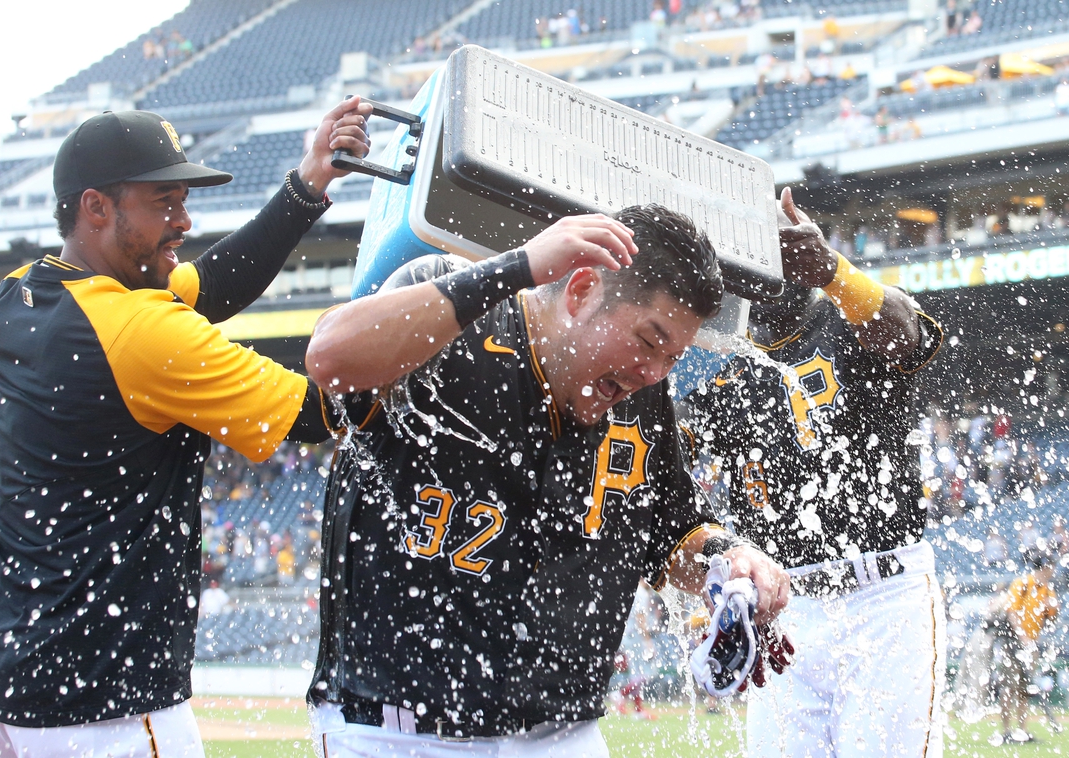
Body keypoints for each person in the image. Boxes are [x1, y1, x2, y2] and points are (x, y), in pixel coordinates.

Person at [304, 205, 790, 755]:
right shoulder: (452, 304)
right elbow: (329, 357)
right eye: (649, 341)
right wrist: (518, 266)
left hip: (566, 731)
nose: (655, 372)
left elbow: (670, 531)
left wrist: (729, 562)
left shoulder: (641, 394)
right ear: (581, 290)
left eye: (673, 358)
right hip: (398, 728)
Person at [0, 99, 372, 757]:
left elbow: (208, 284)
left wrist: (308, 184)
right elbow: (319, 414)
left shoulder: (22, 295)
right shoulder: (140, 330)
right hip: (101, 702)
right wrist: (444, 305)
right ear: (97, 207)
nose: (185, 222)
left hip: (4, 678)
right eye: (165, 202)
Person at [678, 187, 945, 757]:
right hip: (787, 610)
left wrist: (833, 271)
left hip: (883, 597)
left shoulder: (849, 316)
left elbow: (910, 335)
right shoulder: (722, 364)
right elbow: (662, 464)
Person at [988, 547, 1060, 745]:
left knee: (1024, 689)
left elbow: (1052, 618)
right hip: (1013, 643)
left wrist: (1050, 606)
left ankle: (1022, 731)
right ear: (1043, 567)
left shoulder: (1047, 589)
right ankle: (1006, 731)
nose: (1052, 572)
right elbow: (1012, 613)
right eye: (1050, 567)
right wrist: (1023, 638)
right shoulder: (1022, 584)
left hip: (1031, 646)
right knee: (1008, 687)